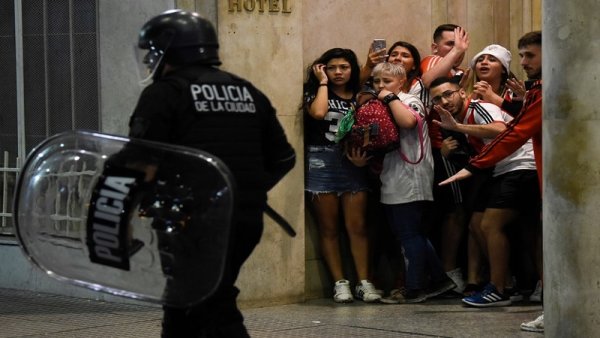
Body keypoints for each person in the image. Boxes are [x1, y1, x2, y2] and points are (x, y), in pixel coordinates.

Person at [129, 10, 296, 337]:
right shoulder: (247, 91)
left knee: (211, 303)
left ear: (170, 50)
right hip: (246, 221)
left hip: (191, 219)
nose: (150, 61)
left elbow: (139, 162)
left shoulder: (164, 93)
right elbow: (283, 158)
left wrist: (120, 216)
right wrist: (242, 191)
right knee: (185, 299)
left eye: (153, 52)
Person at [438, 31, 543, 330]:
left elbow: (508, 132)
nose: (524, 62)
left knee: (494, 225)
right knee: (487, 224)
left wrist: (472, 162)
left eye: (529, 56)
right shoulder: (531, 91)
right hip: (509, 169)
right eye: (521, 56)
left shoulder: (480, 105)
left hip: (519, 167)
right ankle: (506, 285)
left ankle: (500, 288)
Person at [357, 62, 455, 303]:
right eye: (377, 81)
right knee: (412, 234)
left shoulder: (409, 100)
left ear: (401, 82)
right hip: (391, 176)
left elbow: (408, 122)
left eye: (387, 81)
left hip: (410, 176)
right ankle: (440, 281)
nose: (380, 86)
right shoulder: (380, 103)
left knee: (408, 235)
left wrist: (390, 97)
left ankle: (415, 288)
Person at [303, 48, 381, 303]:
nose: (338, 72)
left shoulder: (361, 94)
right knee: (329, 228)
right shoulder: (315, 92)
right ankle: (340, 283)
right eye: (332, 67)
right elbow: (317, 113)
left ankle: (364, 282)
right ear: (322, 69)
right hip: (321, 162)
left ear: (352, 70)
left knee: (356, 226)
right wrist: (323, 83)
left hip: (352, 163)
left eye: (344, 67)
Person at [420, 24, 471, 294]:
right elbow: (428, 82)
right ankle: (450, 271)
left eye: (460, 43)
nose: (457, 49)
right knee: (454, 212)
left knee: (460, 212)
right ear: (435, 47)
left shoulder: (461, 73)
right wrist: (456, 54)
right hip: (442, 148)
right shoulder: (434, 62)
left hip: (461, 145)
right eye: (449, 43)